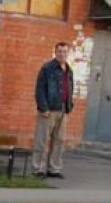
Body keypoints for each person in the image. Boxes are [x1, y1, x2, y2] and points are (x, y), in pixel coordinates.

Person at [32, 42, 74, 179]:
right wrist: (43, 108)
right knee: (42, 140)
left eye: (65, 51)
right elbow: (39, 89)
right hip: (48, 110)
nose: (62, 54)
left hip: (63, 109)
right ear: (55, 52)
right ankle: (38, 169)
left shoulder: (69, 70)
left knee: (59, 140)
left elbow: (70, 88)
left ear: (68, 53)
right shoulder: (47, 68)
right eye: (59, 51)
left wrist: (69, 105)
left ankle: (54, 169)